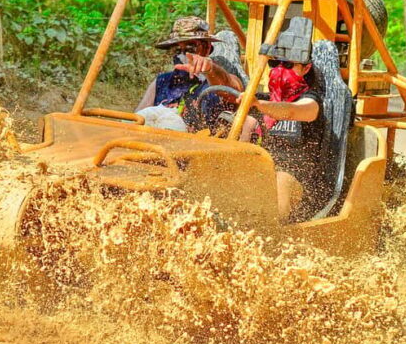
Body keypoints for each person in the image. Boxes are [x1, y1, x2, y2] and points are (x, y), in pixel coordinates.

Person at [179, 16, 324, 221]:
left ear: (306, 68)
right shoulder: (260, 99)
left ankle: (269, 235)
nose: (280, 70)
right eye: (274, 63)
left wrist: (260, 106)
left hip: (297, 181)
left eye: (288, 65)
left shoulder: (311, 102)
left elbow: (291, 111)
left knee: (280, 180)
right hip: (260, 173)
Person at [136, 16, 244, 132]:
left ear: (207, 48)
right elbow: (135, 120)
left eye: (190, 48)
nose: (183, 56)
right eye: (177, 50)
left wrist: (210, 69)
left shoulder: (217, 80)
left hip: (202, 147)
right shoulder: (162, 82)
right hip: (153, 145)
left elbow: (234, 90)